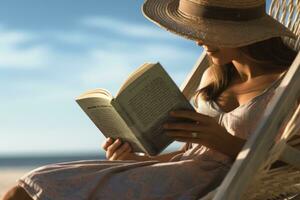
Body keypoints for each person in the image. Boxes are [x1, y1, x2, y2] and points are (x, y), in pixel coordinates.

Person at [3, 0, 298, 199]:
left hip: (220, 182)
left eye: (209, 33)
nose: (198, 40)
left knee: (32, 192)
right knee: (32, 180)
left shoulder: (288, 86)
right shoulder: (215, 74)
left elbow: (290, 163)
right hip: (178, 170)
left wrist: (222, 140)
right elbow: (191, 154)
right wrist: (138, 158)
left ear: (244, 34)